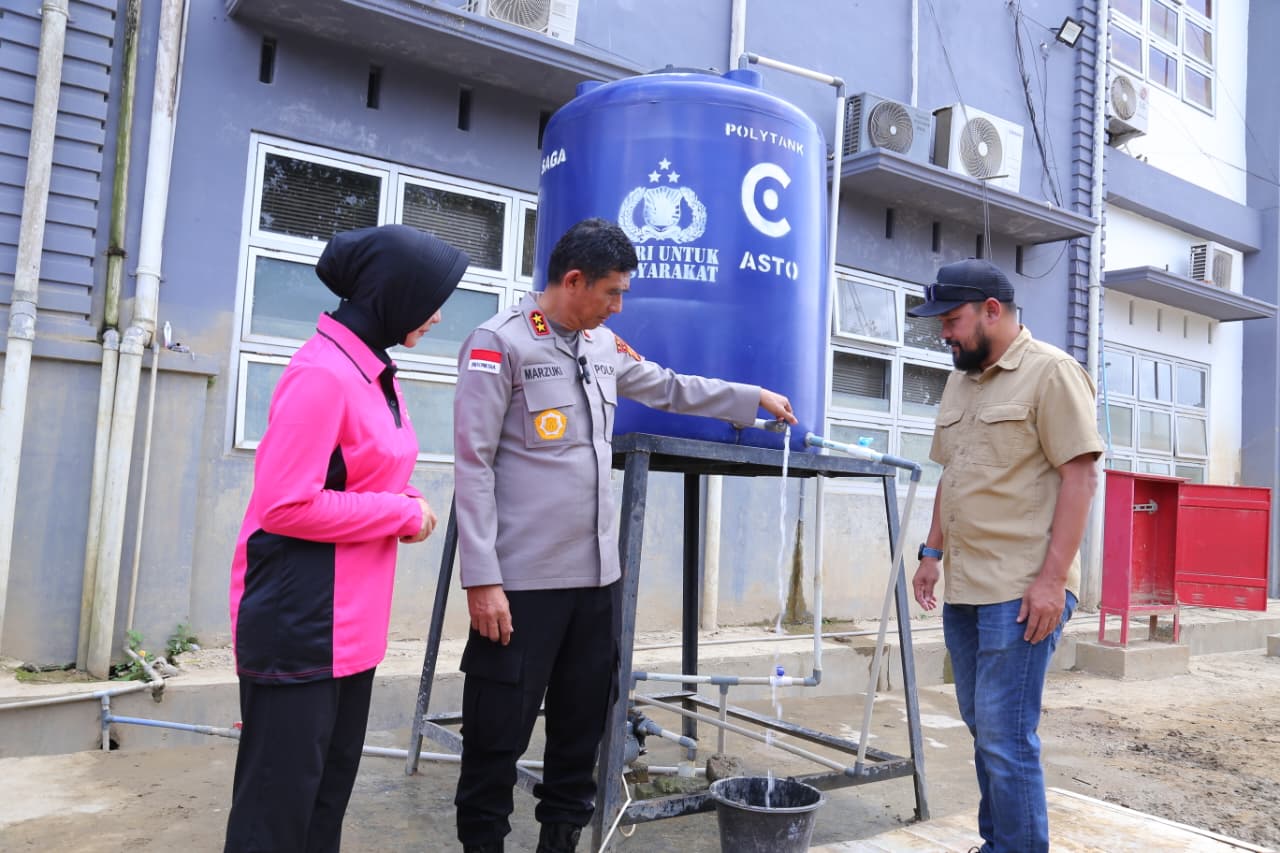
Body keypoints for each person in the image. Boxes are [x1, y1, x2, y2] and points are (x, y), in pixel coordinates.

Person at [451, 218, 796, 853]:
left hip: (595, 586)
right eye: (612, 292)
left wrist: (751, 398)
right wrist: (481, 579)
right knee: (495, 740)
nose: (618, 306)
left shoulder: (602, 345)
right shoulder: (499, 344)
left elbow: (667, 385)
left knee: (579, 737)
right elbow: (472, 468)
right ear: (573, 280)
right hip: (522, 587)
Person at [225, 224, 469, 852]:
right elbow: (285, 504)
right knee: (275, 819)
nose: (438, 316)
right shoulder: (323, 374)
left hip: (351, 627)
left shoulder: (371, 369)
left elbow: (362, 474)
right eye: (431, 299)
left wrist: (401, 502)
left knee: (322, 809)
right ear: (394, 294)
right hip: (301, 621)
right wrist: (398, 512)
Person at [908, 258, 1103, 853]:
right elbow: (952, 474)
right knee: (983, 728)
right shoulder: (960, 381)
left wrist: (1052, 581)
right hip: (967, 586)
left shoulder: (1052, 373)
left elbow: (1080, 478)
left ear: (992, 310)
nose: (944, 333)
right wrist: (931, 552)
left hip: (1021, 591)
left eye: (952, 320)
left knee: (1006, 736)